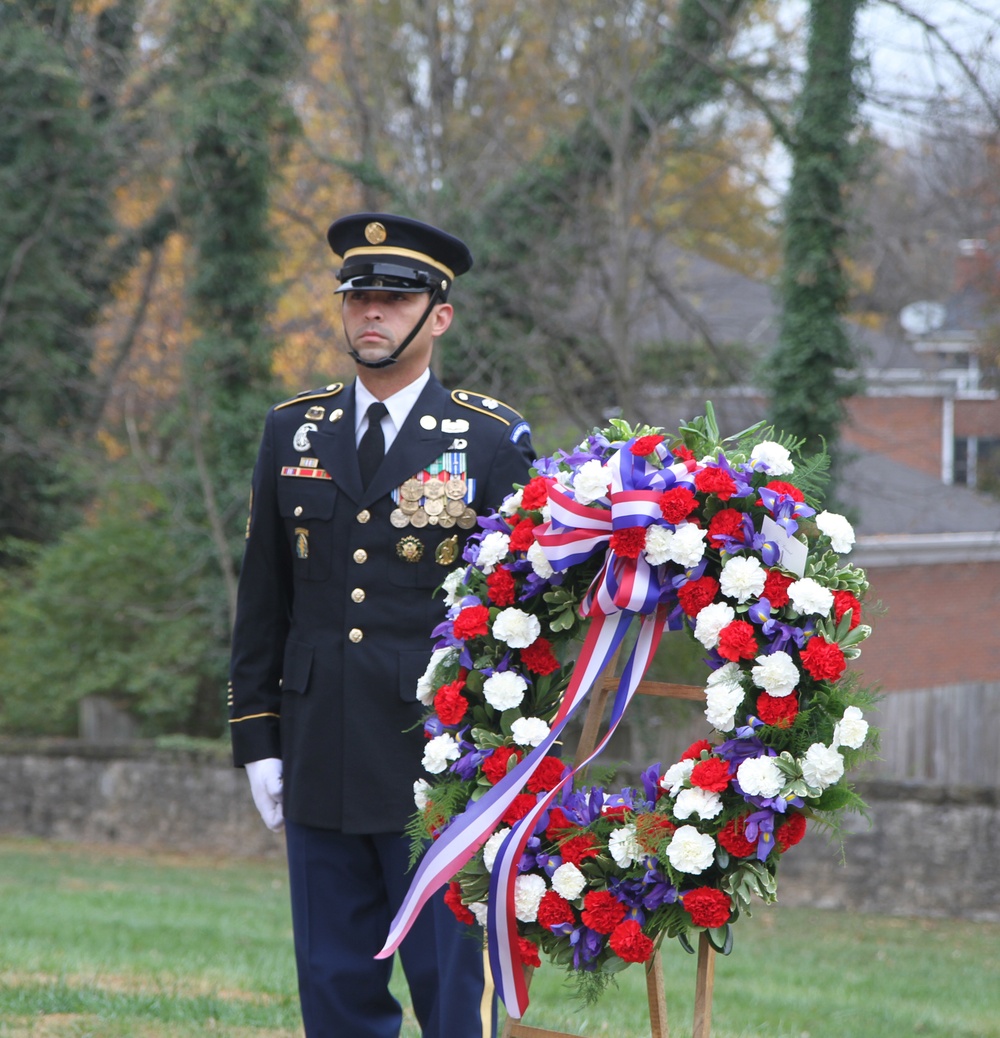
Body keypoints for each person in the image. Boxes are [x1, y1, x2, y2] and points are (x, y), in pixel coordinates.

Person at [228, 212, 535, 1038]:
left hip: (433, 761)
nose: (372, 313)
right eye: (359, 296)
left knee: (447, 985)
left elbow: (522, 616)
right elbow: (265, 598)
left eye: (395, 301)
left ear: (439, 315)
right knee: (332, 985)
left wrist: (502, 753)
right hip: (318, 742)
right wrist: (258, 736)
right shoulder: (291, 429)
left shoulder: (490, 439)